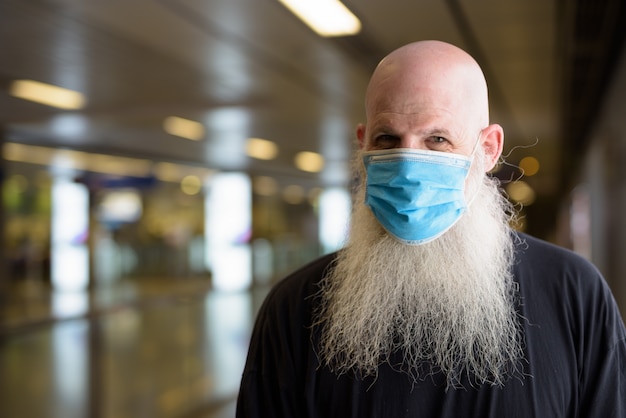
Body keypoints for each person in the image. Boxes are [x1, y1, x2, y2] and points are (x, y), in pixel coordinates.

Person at [236, 40, 626, 417]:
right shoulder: (294, 308)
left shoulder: (574, 294)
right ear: (363, 144)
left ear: (488, 148)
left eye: (437, 139)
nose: (407, 164)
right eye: (387, 138)